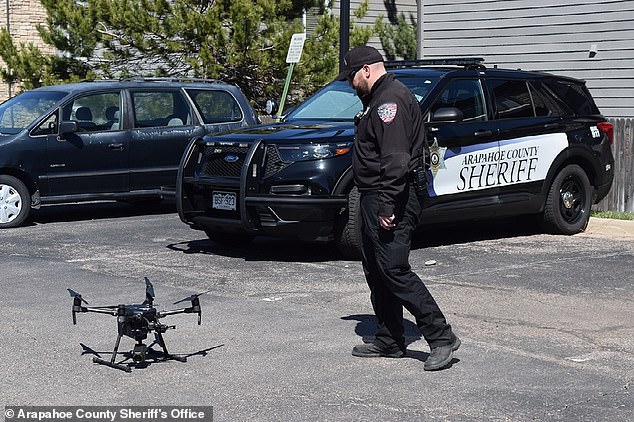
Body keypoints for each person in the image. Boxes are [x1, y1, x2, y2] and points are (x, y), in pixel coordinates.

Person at [336, 46, 460, 371]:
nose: (350, 84)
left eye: (351, 77)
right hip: (374, 195)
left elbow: (395, 160)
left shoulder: (389, 101)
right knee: (376, 269)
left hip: (390, 196)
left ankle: (441, 336)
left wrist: (387, 205)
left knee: (393, 268)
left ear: (365, 70)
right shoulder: (378, 99)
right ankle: (390, 340)